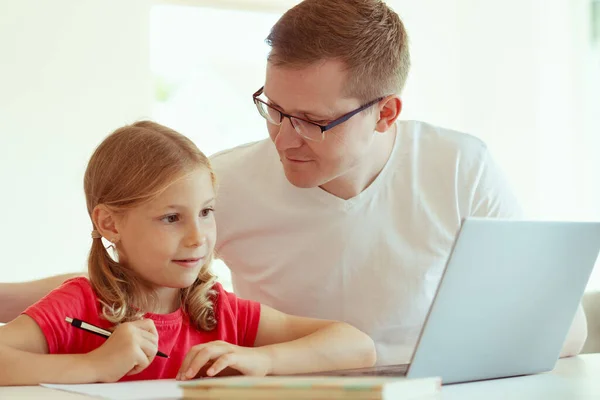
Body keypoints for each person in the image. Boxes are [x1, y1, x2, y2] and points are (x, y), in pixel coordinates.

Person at [0, 0, 587, 364]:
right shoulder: (224, 180)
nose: (284, 137)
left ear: (386, 114)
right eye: (273, 108)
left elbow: (564, 326)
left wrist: (418, 365)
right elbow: (123, 273)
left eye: (311, 121)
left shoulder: (461, 165)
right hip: (287, 384)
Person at [0, 121, 376, 386]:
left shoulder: (218, 311)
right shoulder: (80, 306)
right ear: (111, 224)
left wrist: (263, 359)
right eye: (171, 218)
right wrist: (95, 365)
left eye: (206, 212)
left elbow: (357, 347)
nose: (198, 237)